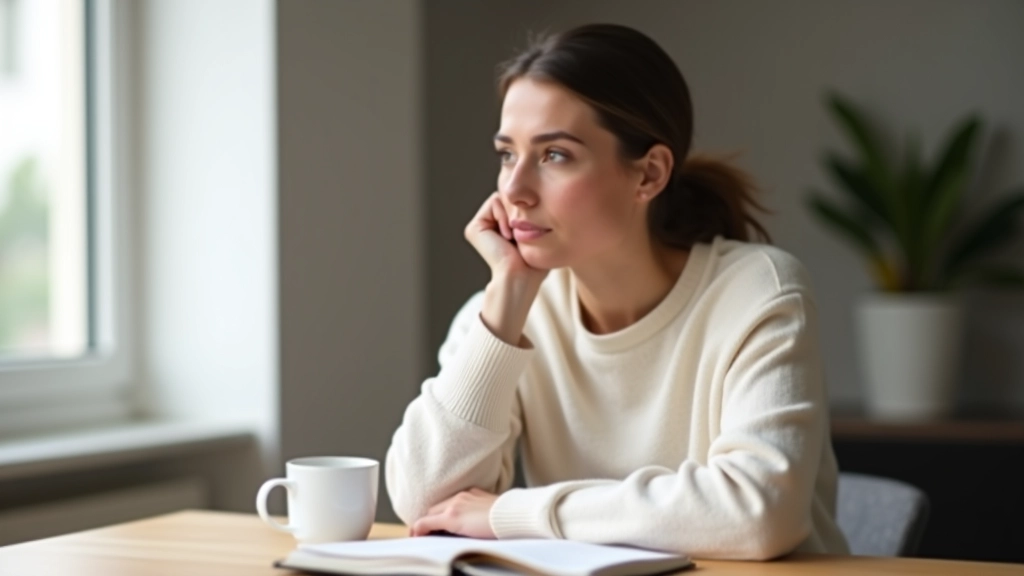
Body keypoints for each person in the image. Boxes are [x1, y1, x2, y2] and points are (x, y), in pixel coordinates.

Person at [385, 23, 850, 560]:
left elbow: (760, 513)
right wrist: (508, 296)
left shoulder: (757, 292)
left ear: (649, 174)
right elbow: (423, 503)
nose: (513, 190)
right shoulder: (499, 316)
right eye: (507, 154)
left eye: (554, 155)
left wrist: (511, 514)